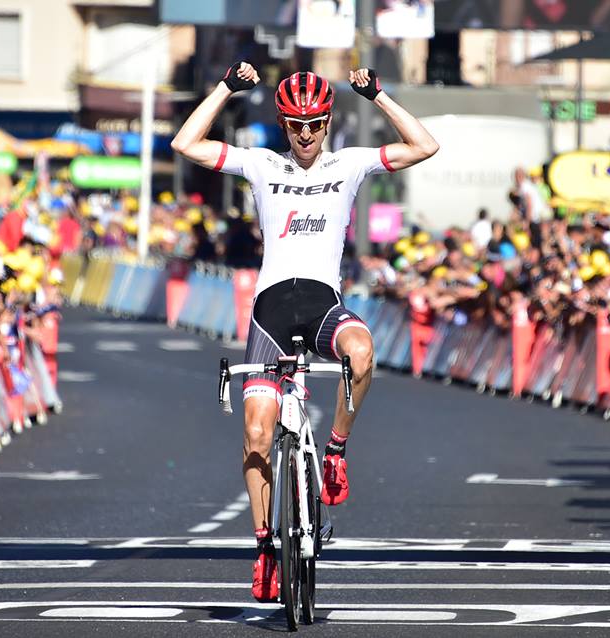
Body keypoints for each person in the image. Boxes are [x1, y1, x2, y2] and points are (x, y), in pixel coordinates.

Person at [171, 61, 438, 602]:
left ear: (329, 120)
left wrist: (379, 96)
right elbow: (185, 143)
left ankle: (335, 449)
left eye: (316, 123)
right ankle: (266, 546)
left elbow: (425, 145)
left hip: (321, 306)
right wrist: (226, 88)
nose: (308, 134)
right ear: (283, 125)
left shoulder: (351, 163)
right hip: (270, 312)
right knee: (256, 433)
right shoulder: (263, 164)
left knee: (361, 353)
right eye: (296, 125)